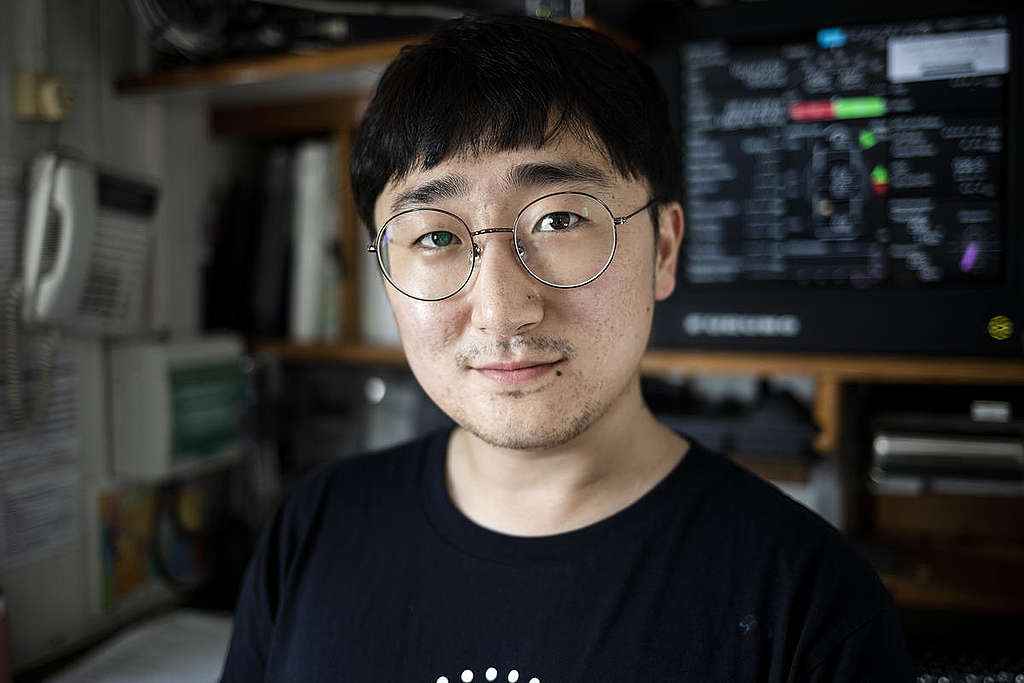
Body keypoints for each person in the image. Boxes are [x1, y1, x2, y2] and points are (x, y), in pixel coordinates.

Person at [221, 14, 914, 682]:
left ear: (664, 249)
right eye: (435, 236)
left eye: (558, 219)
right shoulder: (312, 532)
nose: (501, 309)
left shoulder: (811, 603)